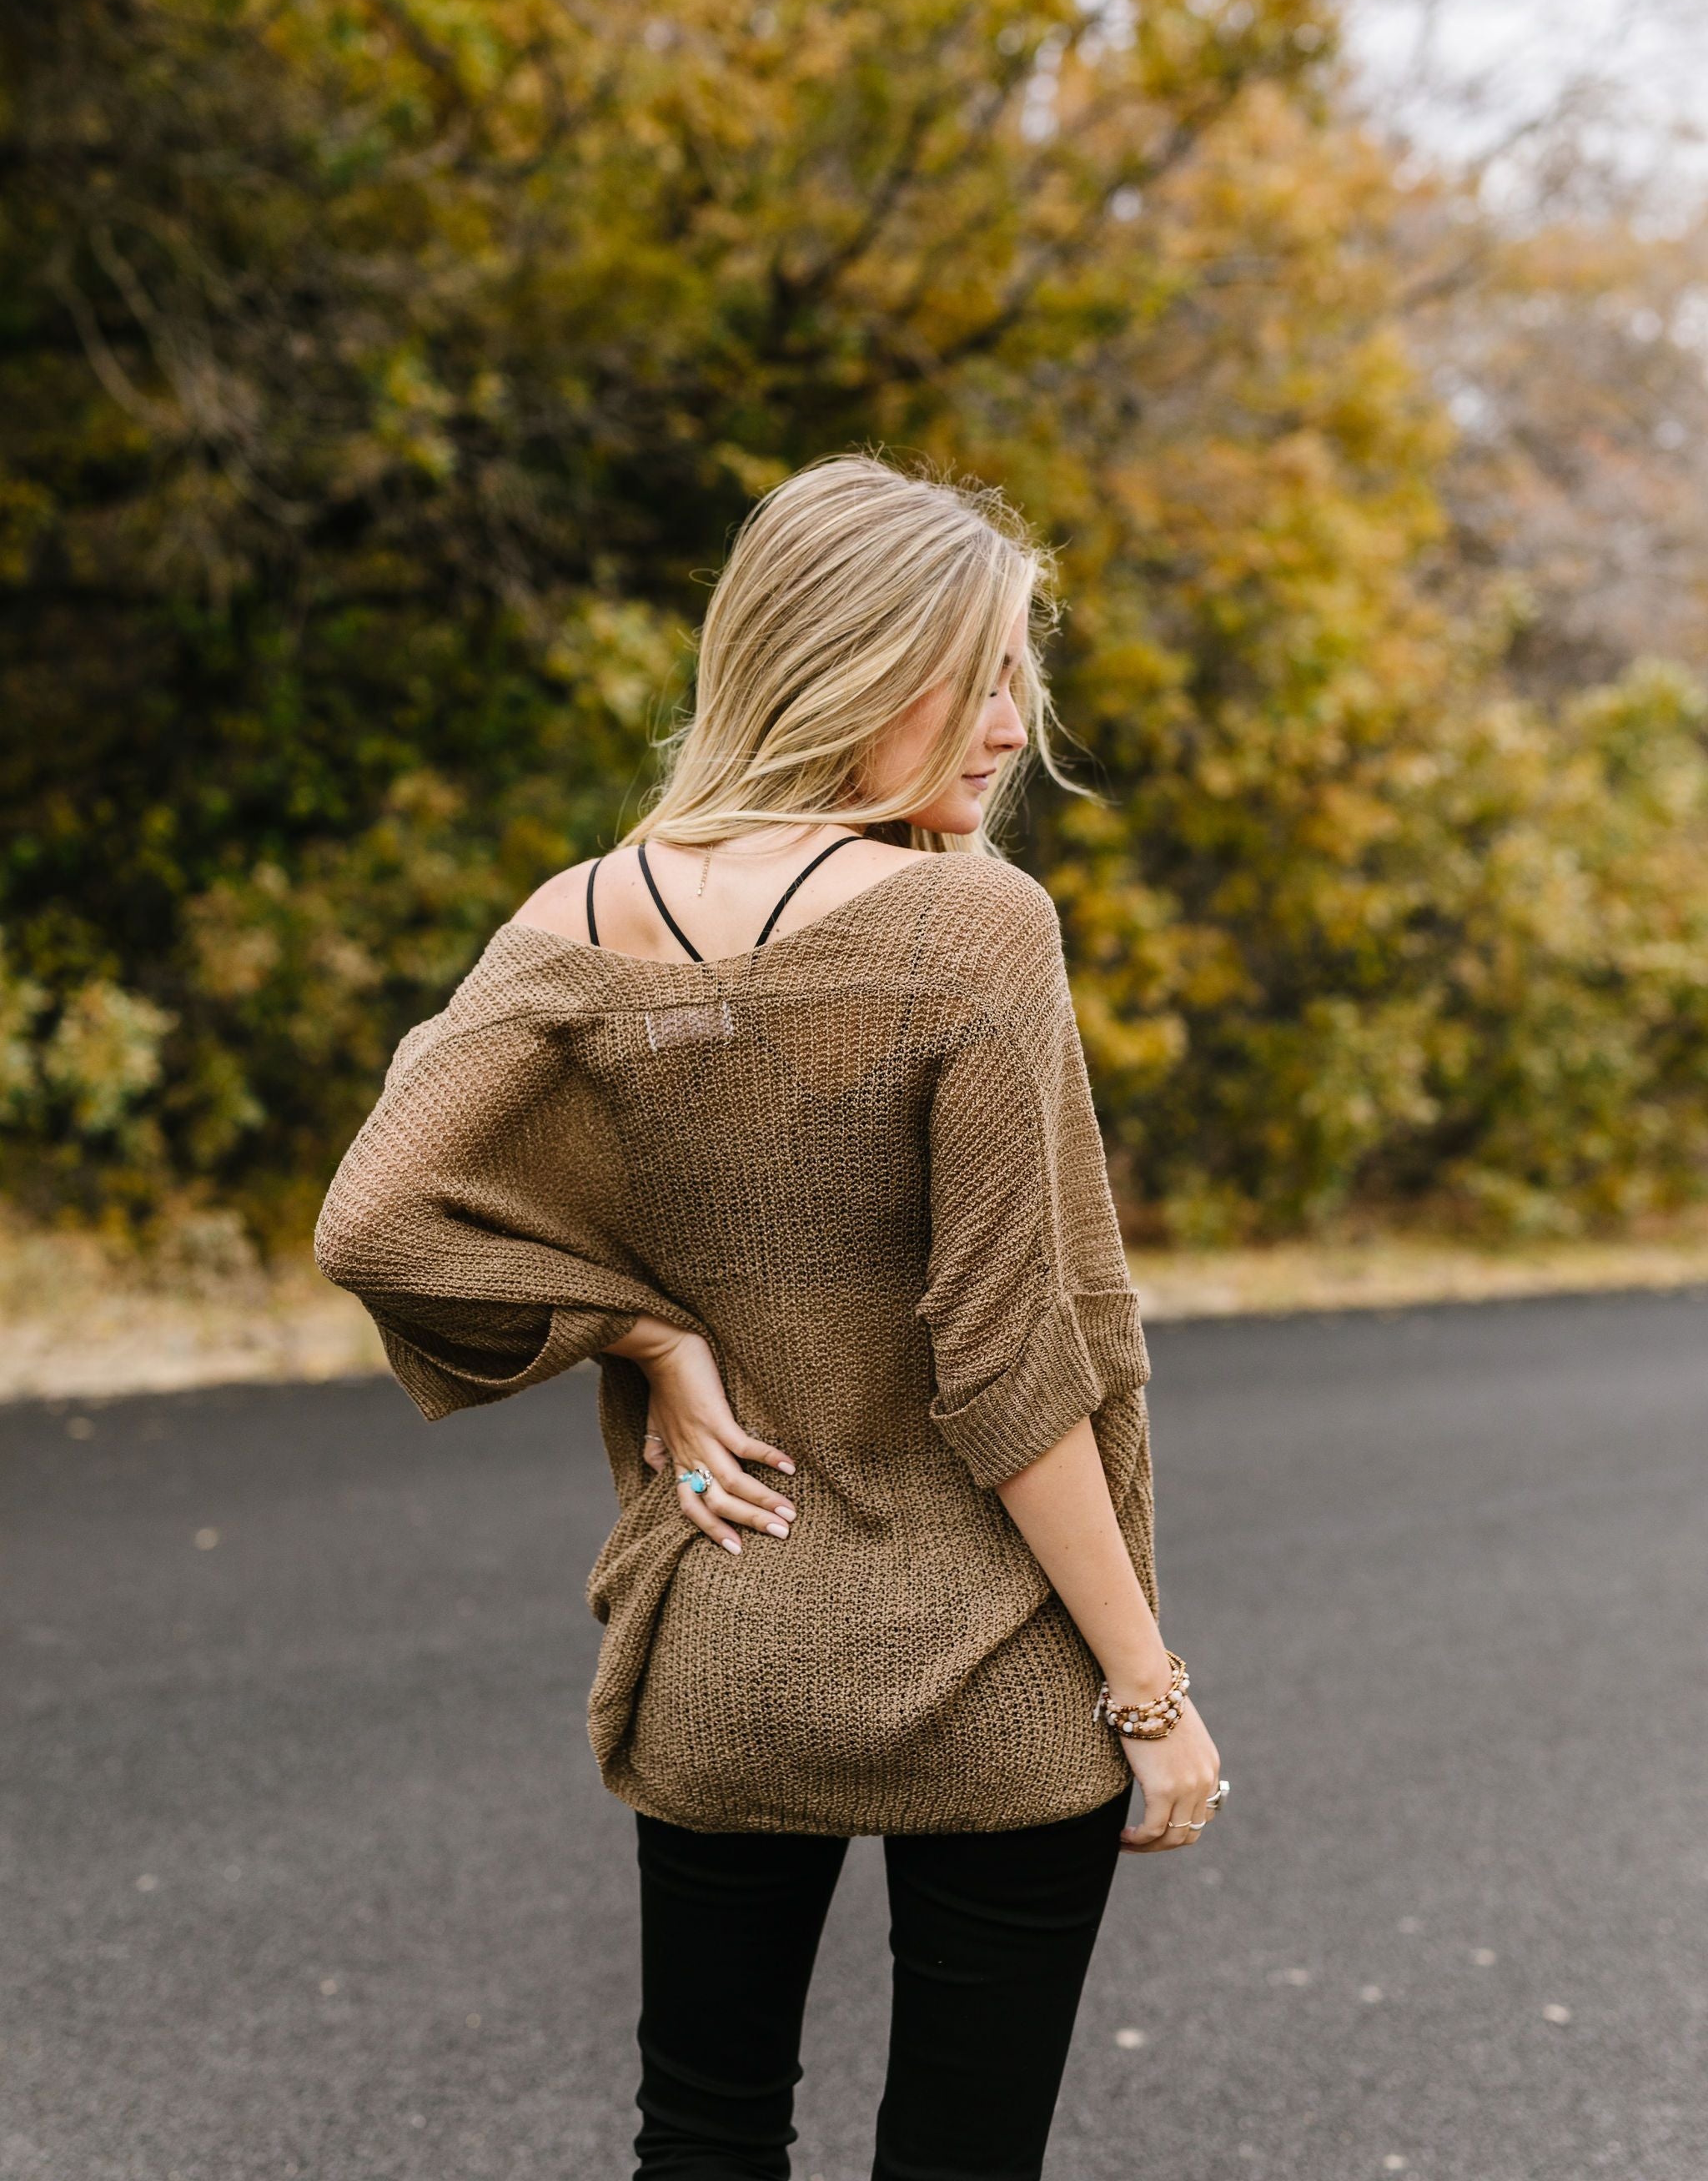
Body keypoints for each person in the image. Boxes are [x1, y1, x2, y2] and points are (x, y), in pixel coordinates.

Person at [315, 454, 1224, 2181]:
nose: (1015, 722)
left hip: (727, 1634)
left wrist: (646, 1335)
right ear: (852, 666)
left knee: (706, 2138)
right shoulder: (974, 932)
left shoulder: (571, 922)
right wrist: (1146, 1686)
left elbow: (375, 1215)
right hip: (993, 1664)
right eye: (985, 670)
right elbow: (1012, 1359)